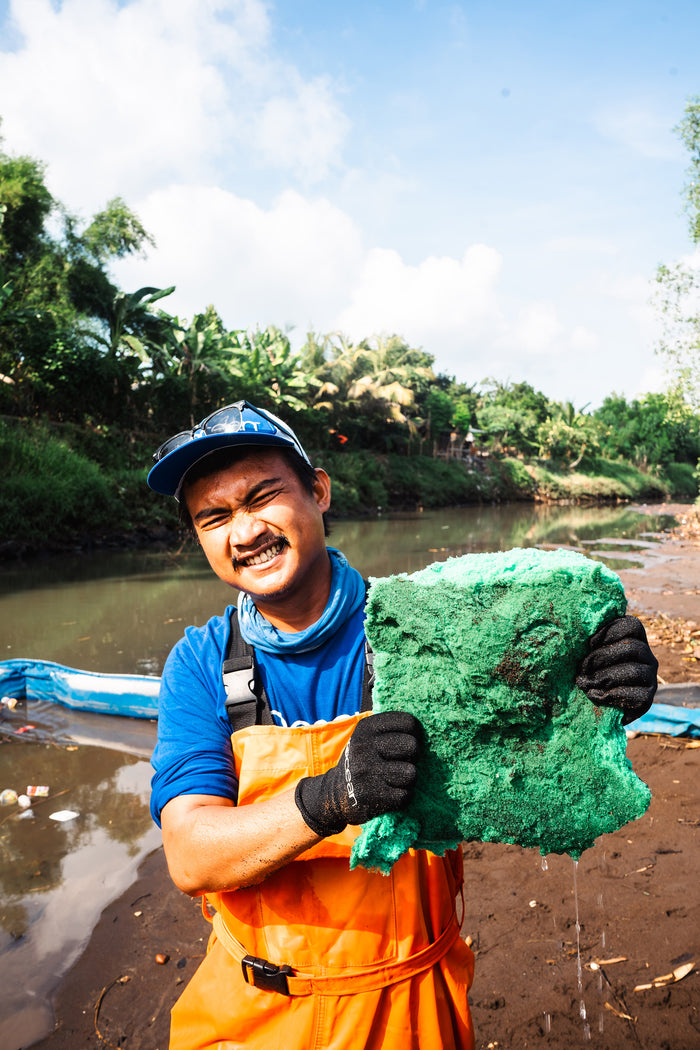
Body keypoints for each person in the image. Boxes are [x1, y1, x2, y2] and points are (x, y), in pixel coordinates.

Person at [147, 400, 658, 1050]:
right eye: (214, 517)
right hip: (254, 1013)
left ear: (319, 490)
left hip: (411, 1008)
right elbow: (190, 854)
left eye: (261, 497)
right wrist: (330, 799)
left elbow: (523, 733)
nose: (244, 532)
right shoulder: (200, 664)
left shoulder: (424, 625)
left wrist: (601, 693)